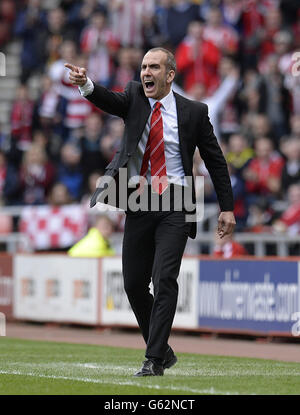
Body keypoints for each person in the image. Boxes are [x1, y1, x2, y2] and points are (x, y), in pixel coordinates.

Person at [65, 47, 235, 377]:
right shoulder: (133, 96)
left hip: (177, 202)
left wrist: (227, 208)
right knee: (132, 283)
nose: (146, 72)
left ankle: (154, 358)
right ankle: (162, 349)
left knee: (164, 279)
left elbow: (215, 160)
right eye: (144, 67)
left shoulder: (194, 112)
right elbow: (107, 99)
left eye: (154, 67)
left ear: (170, 75)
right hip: (139, 201)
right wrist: (86, 84)